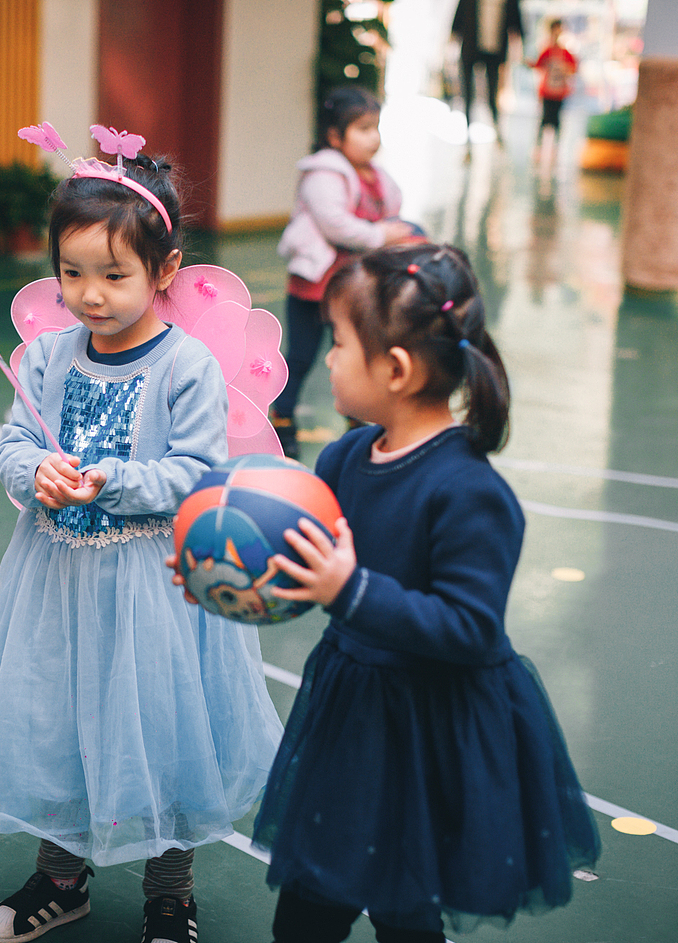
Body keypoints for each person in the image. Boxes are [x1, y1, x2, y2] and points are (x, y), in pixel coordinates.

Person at [0, 139, 284, 943]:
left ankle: (170, 894)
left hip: (154, 588)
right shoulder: (49, 357)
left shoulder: (186, 367)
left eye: (113, 274)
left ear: (164, 270)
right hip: (57, 579)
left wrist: (109, 479)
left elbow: (196, 472)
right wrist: (35, 471)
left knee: (160, 731)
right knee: (60, 720)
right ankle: (60, 879)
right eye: (71, 273)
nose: (89, 295)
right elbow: (13, 445)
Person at [250, 243, 601, 941]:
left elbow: (469, 627)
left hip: (428, 725)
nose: (327, 358)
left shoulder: (469, 493)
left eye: (339, 342)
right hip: (352, 711)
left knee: (405, 910)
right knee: (310, 901)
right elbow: (312, 564)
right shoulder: (344, 458)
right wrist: (232, 578)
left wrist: (350, 589)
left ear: (397, 369)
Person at [271, 86, 414, 458]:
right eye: (363, 129)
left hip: (355, 288)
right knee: (301, 356)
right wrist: (381, 235)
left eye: (376, 128)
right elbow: (335, 223)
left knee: (359, 353)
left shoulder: (374, 175)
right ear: (335, 136)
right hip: (315, 285)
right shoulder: (323, 173)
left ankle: (358, 417)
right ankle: (282, 417)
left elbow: (392, 208)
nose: (373, 138)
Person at [452, 0, 523, 137]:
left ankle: (496, 128)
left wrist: (518, 49)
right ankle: (468, 129)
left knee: (492, 93)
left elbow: (516, 23)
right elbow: (458, 18)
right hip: (471, 48)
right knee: (468, 93)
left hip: (495, 51)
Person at [532, 18, 578, 164]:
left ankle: (555, 149)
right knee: (545, 119)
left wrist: (565, 70)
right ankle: (540, 148)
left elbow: (573, 68)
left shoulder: (565, 53)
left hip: (559, 92)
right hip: (547, 91)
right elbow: (538, 65)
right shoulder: (547, 50)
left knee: (556, 120)